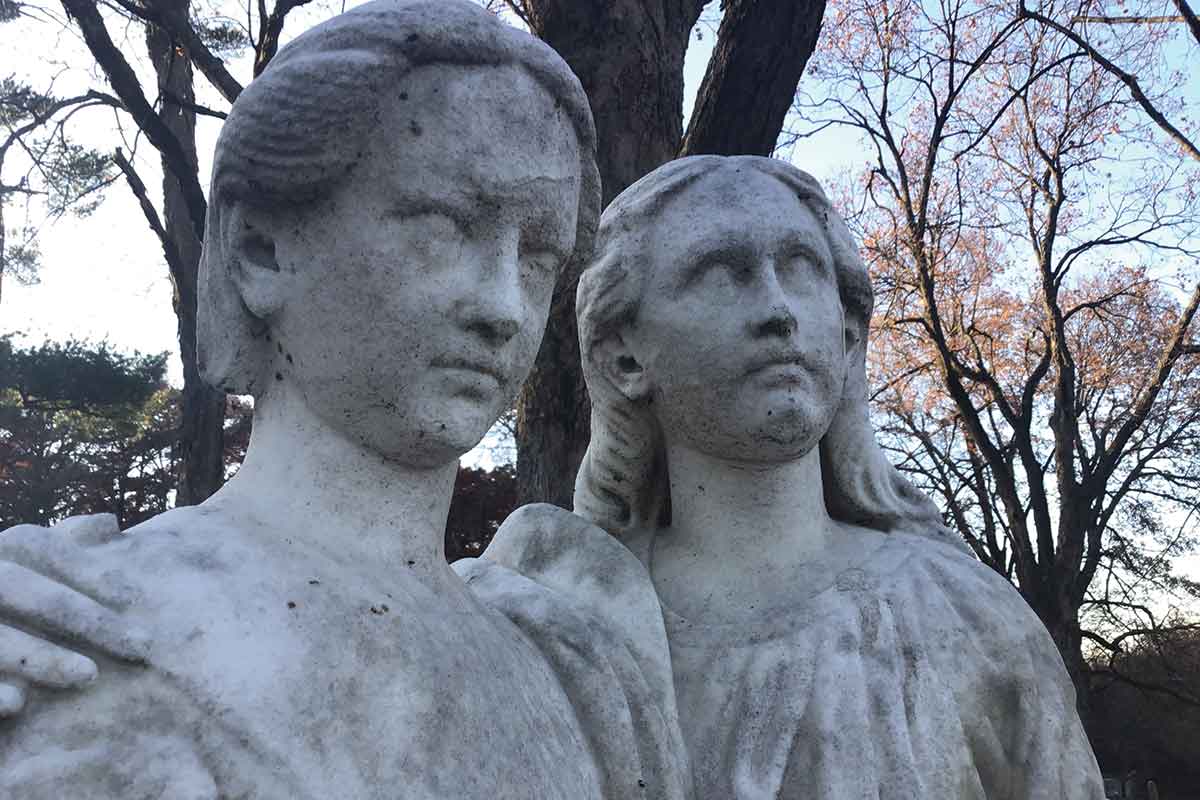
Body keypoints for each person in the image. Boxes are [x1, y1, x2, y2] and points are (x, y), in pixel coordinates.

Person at [0, 2, 689, 797]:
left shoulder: (570, 669)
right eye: (440, 225)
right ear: (261, 251)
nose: (502, 305)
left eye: (537, 254)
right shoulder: (83, 632)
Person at [558, 154, 1106, 798]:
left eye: (801, 269)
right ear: (624, 354)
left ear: (848, 336)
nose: (777, 310)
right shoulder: (570, 622)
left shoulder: (968, 618)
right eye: (719, 275)